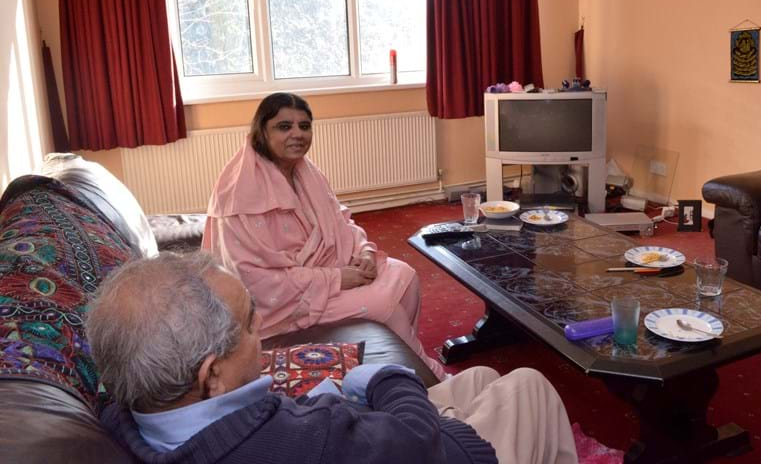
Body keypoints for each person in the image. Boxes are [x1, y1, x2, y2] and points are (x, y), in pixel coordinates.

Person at [86, 252, 579, 464]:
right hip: (432, 450)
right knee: (527, 384)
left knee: (481, 376)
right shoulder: (298, 443)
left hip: (366, 436)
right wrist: (387, 379)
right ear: (211, 374)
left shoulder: (124, 419)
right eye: (252, 324)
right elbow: (416, 441)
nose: (265, 339)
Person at [202, 93, 443, 378]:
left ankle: (398, 365)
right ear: (261, 132)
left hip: (325, 273)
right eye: (284, 126)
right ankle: (429, 379)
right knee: (383, 305)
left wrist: (363, 251)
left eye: (304, 126)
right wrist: (336, 279)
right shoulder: (238, 192)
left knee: (405, 276)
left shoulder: (306, 172)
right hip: (284, 303)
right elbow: (254, 282)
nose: (297, 134)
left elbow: (341, 221)